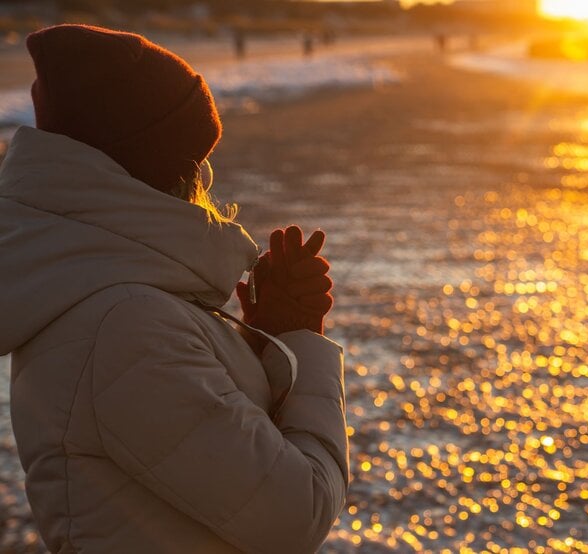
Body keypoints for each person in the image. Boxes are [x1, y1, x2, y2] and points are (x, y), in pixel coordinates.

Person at [0, 24, 349, 553]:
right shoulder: (125, 326)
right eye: (195, 161)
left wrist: (267, 347)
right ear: (158, 168)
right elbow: (297, 514)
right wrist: (302, 341)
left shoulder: (99, 289)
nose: (204, 181)